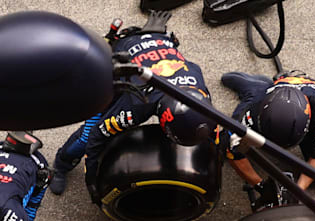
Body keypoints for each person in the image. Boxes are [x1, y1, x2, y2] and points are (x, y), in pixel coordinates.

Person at [50, 10, 214, 197]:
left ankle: (149, 37)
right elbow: (97, 137)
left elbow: (210, 127)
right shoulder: (136, 106)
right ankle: (61, 164)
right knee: (87, 135)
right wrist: (92, 180)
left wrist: (155, 38)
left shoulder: (200, 91)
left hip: (154, 42)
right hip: (117, 67)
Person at [219, 71, 315, 209]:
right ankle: (254, 88)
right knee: (226, 140)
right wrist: (260, 186)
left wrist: (298, 191)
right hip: (271, 92)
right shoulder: (257, 108)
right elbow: (232, 151)